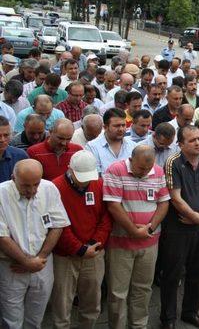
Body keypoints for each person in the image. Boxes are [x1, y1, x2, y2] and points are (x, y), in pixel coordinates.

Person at [103, 145, 170, 328]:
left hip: (150, 242)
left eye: (148, 168)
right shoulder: (115, 170)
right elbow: (113, 206)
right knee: (118, 292)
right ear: (131, 160)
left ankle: (139, 325)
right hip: (120, 243)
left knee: (143, 288)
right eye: (141, 168)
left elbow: (164, 203)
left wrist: (151, 227)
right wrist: (133, 231)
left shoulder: (157, 171)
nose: (145, 172)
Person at [161, 125, 199, 328]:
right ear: (180, 144)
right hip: (178, 230)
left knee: (197, 273)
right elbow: (175, 198)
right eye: (192, 140)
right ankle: (168, 318)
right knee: (172, 274)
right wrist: (196, 216)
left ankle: (190, 313)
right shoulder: (173, 163)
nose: (198, 142)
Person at [0, 159, 70, 328]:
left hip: (43, 264)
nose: (32, 190)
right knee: (11, 319)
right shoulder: (1, 194)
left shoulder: (48, 188)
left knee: (36, 315)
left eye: (36, 184)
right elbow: (2, 236)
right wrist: (26, 262)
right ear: (13, 178)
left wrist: (39, 259)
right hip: (11, 266)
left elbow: (58, 224)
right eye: (25, 186)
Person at [50, 151, 112, 328]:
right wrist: (79, 248)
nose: (85, 181)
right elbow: (58, 224)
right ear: (70, 169)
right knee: (62, 303)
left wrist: (95, 244)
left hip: (94, 253)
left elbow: (106, 218)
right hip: (65, 256)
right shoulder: (55, 187)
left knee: (92, 301)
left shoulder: (98, 184)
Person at [86, 108, 137, 175]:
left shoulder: (133, 146)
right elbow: (96, 177)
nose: (121, 129)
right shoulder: (92, 147)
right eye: (117, 126)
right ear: (105, 127)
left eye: (123, 125)